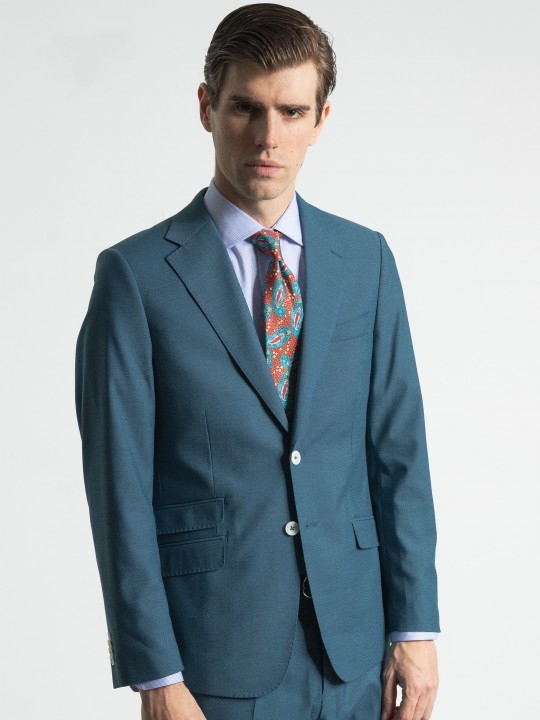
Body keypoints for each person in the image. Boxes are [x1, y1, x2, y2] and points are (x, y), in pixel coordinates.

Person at [75, 4, 440, 719]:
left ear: (321, 119)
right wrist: (156, 675)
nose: (269, 137)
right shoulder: (135, 277)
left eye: (292, 111)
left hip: (355, 649)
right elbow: (118, 490)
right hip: (212, 655)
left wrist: (415, 628)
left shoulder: (364, 260)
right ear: (207, 107)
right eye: (246, 107)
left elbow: (399, 454)